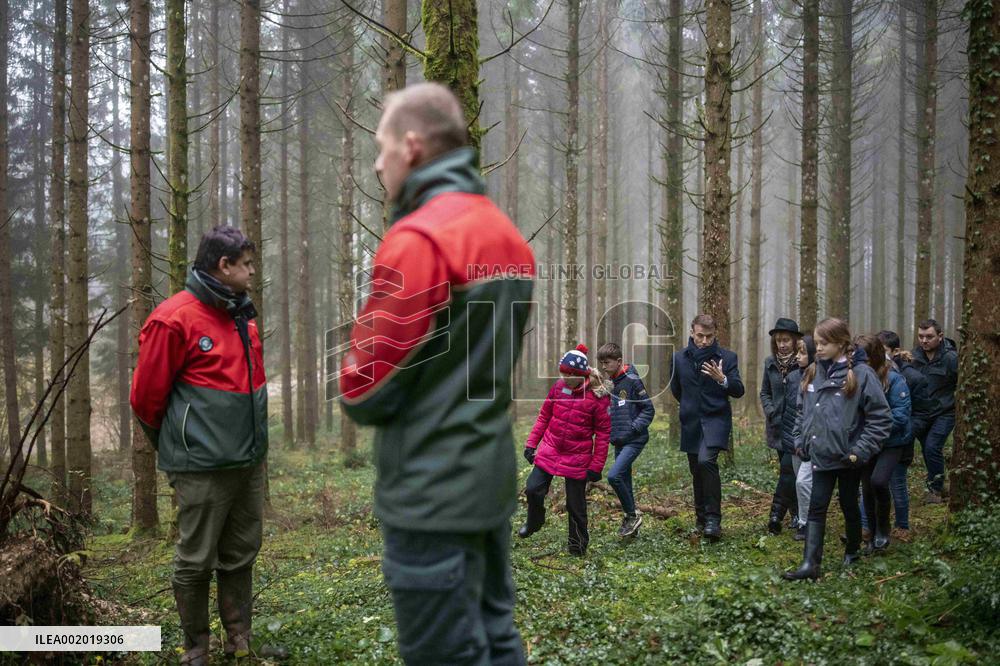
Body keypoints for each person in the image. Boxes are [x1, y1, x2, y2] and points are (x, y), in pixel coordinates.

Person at [338, 83, 534, 665]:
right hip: (488, 478)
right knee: (497, 639)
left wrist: (355, 355)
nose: (378, 163)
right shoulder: (506, 236)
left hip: (430, 489)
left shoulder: (420, 239)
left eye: (382, 147)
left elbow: (365, 387)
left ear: (414, 146)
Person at [130, 226, 268, 664]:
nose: (252, 271)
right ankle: (196, 649)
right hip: (201, 467)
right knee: (195, 560)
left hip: (247, 461)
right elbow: (145, 399)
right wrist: (181, 446)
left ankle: (239, 642)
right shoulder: (173, 318)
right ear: (222, 266)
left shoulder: (241, 313)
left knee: (241, 553)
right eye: (245, 264)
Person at [783, 318, 892, 581]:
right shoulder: (813, 371)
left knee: (848, 505)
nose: (817, 348)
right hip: (819, 454)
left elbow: (881, 418)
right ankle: (810, 564)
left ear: (842, 344)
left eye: (824, 343)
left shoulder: (862, 374)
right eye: (817, 343)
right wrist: (800, 441)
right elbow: (801, 412)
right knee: (816, 507)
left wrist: (859, 450)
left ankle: (852, 552)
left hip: (848, 458)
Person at [520, 344, 611, 555]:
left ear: (580, 374)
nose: (564, 378)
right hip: (550, 449)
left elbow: (604, 435)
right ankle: (535, 521)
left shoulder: (598, 397)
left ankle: (577, 547)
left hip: (577, 456)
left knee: (575, 506)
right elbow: (544, 416)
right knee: (533, 488)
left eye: (569, 374)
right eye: (563, 373)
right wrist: (531, 444)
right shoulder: (558, 387)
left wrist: (596, 466)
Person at [669, 314, 745, 542]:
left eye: (708, 337)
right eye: (700, 335)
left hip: (716, 420)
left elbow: (738, 390)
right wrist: (690, 406)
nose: (703, 341)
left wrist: (722, 379)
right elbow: (676, 389)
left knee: (706, 462)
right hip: (691, 420)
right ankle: (701, 520)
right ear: (692, 332)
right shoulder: (678, 358)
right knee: (697, 470)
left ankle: (714, 520)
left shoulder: (727, 358)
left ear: (715, 335)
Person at [855, 335, 911, 553]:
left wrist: (874, 428)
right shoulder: (855, 377)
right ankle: (871, 533)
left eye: (865, 358)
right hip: (867, 442)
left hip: (892, 442)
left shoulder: (895, 378)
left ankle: (884, 530)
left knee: (879, 481)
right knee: (867, 487)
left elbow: (900, 415)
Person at [877, 330, 933, 538]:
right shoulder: (873, 374)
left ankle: (902, 526)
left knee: (897, 482)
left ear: (895, 351)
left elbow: (922, 413)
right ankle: (869, 526)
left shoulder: (912, 378)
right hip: (878, 442)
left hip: (901, 440)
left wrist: (908, 432)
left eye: (883, 351)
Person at [597, 342, 656, 538]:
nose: (604, 367)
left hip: (634, 439)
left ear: (619, 361)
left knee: (614, 476)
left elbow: (648, 409)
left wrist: (633, 428)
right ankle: (633, 529)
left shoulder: (632, 381)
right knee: (625, 481)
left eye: (607, 362)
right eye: (601, 363)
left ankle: (632, 514)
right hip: (619, 440)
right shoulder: (610, 383)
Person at [760, 317, 804, 534]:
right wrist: (770, 410)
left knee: (789, 469)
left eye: (786, 340)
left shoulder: (804, 362)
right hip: (777, 426)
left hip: (796, 426)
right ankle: (796, 513)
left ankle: (777, 515)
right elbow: (765, 392)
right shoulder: (770, 363)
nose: (783, 344)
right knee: (789, 472)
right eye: (779, 341)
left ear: (795, 341)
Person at [911, 319, 959, 503]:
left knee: (932, 446)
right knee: (928, 450)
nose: (924, 341)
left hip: (945, 412)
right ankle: (939, 482)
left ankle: (935, 489)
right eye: (921, 336)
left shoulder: (951, 358)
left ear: (940, 337)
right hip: (922, 413)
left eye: (929, 337)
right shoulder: (915, 356)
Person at [788, 335, 816, 541]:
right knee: (802, 482)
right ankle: (804, 523)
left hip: (825, 443)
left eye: (802, 352)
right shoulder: (802, 377)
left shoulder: (824, 376)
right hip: (804, 443)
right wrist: (797, 440)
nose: (797, 356)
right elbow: (799, 412)